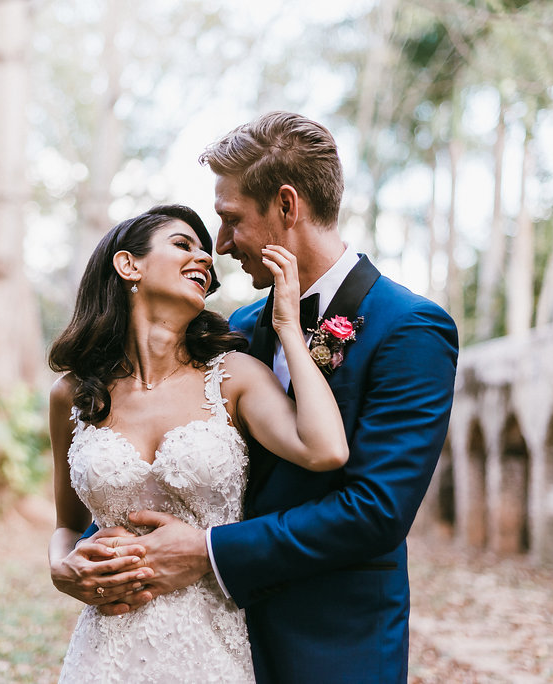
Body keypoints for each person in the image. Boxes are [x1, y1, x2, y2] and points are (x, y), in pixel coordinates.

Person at [67, 112, 460, 683]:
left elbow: (375, 510)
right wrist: (95, 551)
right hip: (206, 640)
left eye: (230, 220)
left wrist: (209, 551)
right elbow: (158, 458)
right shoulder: (237, 329)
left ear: (286, 205)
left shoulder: (409, 328)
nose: (220, 245)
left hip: (330, 643)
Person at [47, 203, 349, 682]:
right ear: (129, 266)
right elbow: (67, 524)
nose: (206, 258)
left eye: (206, 253)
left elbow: (324, 449)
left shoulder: (233, 376)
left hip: (208, 647)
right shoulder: (74, 394)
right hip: (105, 651)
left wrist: (288, 326)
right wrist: (61, 567)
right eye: (183, 245)